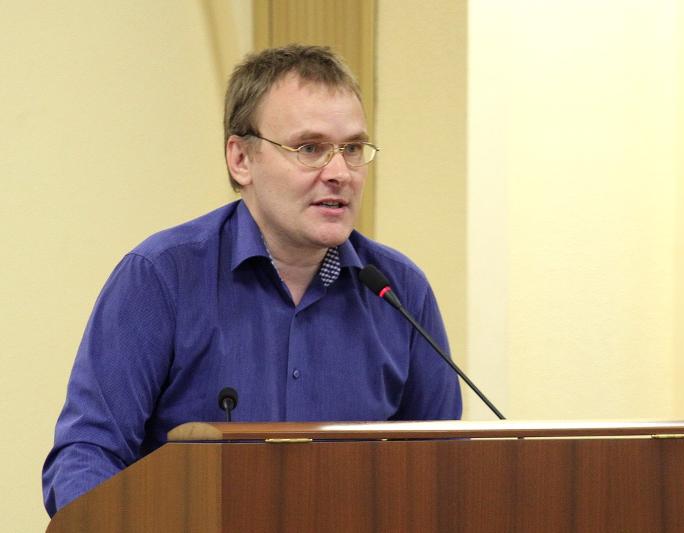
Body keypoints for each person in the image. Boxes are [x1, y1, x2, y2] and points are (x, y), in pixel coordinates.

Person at [42, 44, 462, 517]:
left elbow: (444, 474)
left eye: (351, 149)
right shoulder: (161, 277)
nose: (340, 173)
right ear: (241, 158)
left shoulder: (399, 293)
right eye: (310, 149)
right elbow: (85, 456)